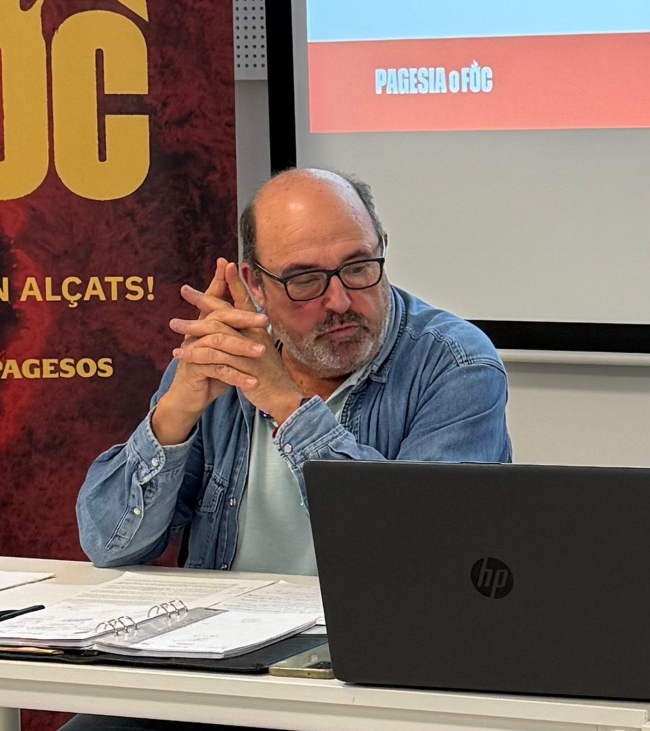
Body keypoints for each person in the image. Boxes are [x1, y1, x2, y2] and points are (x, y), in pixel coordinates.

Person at [76, 168, 512, 573]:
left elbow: (423, 553)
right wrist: (174, 414)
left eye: (358, 268)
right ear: (256, 284)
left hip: (368, 628)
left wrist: (287, 405)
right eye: (305, 280)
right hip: (226, 626)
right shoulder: (225, 353)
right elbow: (109, 546)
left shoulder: (454, 364)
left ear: (382, 248)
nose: (340, 301)